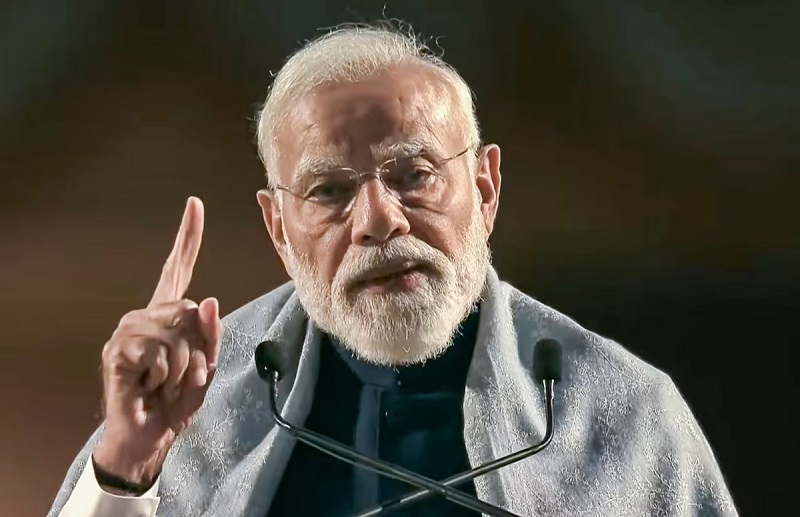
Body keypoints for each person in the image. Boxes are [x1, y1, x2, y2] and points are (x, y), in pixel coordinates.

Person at [47, 24, 738, 517]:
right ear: (278, 228)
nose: (378, 220)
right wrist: (128, 469)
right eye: (329, 191)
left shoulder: (624, 414)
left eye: (414, 175)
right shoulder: (196, 403)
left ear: (486, 187)